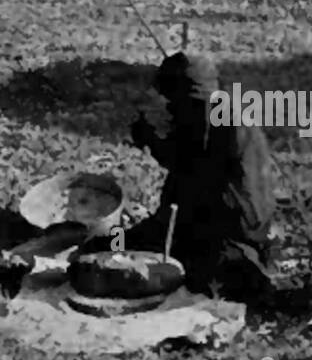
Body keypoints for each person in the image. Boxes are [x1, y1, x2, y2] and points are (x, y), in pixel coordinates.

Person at [99, 52, 276, 300]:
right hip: (215, 219)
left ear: (186, 95)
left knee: (172, 272)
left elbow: (194, 178)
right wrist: (148, 137)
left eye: (172, 99)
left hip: (230, 232)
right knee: (115, 246)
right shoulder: (212, 111)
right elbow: (186, 160)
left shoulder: (219, 124)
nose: (170, 106)